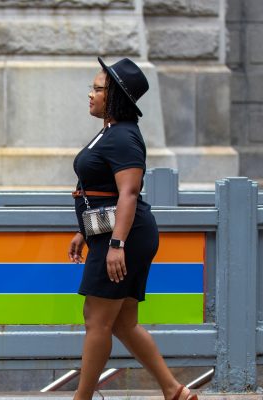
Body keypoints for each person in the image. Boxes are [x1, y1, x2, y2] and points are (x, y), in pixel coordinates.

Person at [68, 57, 198, 400]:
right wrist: (86, 230)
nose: (90, 95)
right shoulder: (111, 132)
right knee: (123, 322)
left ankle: (81, 398)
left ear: (116, 97)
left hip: (125, 237)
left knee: (97, 320)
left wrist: (116, 245)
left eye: (97, 89)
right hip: (115, 233)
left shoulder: (124, 137)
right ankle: (174, 391)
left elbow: (128, 192)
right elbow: (104, 191)